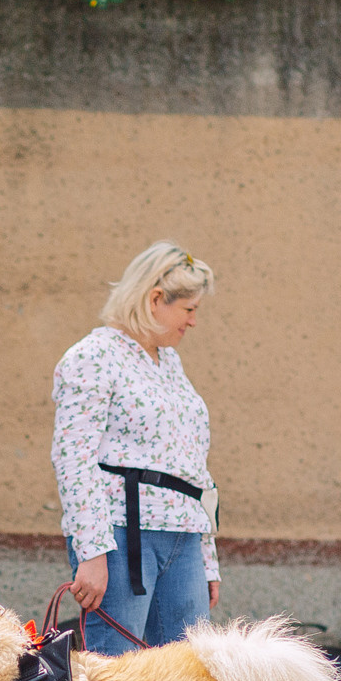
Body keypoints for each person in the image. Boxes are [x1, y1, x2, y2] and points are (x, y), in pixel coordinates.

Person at [52, 241, 221, 655]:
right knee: (117, 674)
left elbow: (193, 468)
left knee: (189, 676)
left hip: (183, 537)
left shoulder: (170, 364)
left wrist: (207, 559)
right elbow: (74, 457)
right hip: (123, 536)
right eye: (189, 309)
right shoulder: (92, 357)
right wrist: (91, 552)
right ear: (155, 300)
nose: (194, 321)